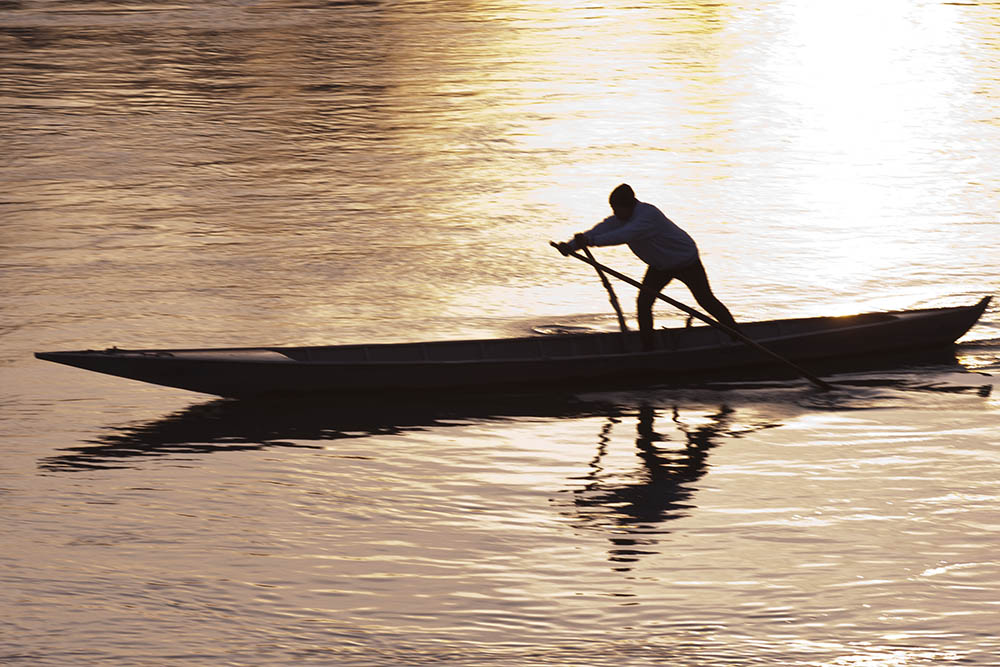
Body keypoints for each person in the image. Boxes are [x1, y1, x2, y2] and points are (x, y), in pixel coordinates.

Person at [557, 184, 740, 351]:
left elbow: (623, 235)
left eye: (616, 208)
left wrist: (590, 242)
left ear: (629, 205)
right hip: (660, 266)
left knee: (705, 300)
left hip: (686, 260)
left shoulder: (647, 215)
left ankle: (738, 337)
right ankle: (648, 348)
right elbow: (601, 229)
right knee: (643, 303)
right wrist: (572, 245)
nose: (614, 213)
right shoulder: (620, 218)